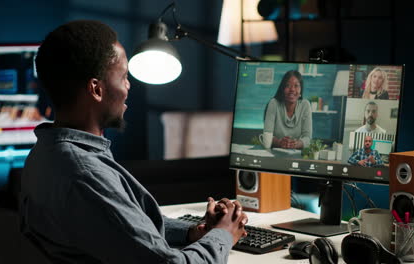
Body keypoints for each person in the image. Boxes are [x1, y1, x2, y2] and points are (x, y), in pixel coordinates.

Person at [19, 20, 247, 264]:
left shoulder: (46, 155)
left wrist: (194, 232)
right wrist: (223, 234)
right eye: (124, 76)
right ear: (96, 89)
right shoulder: (85, 175)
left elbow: (123, 226)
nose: (128, 87)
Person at [263, 70, 312, 149]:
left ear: (300, 91)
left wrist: (296, 144)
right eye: (288, 85)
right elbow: (267, 135)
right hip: (274, 155)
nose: (292, 89)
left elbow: (308, 138)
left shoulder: (305, 105)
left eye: (296, 86)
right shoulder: (274, 103)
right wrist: (279, 143)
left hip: (296, 156)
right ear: (283, 89)